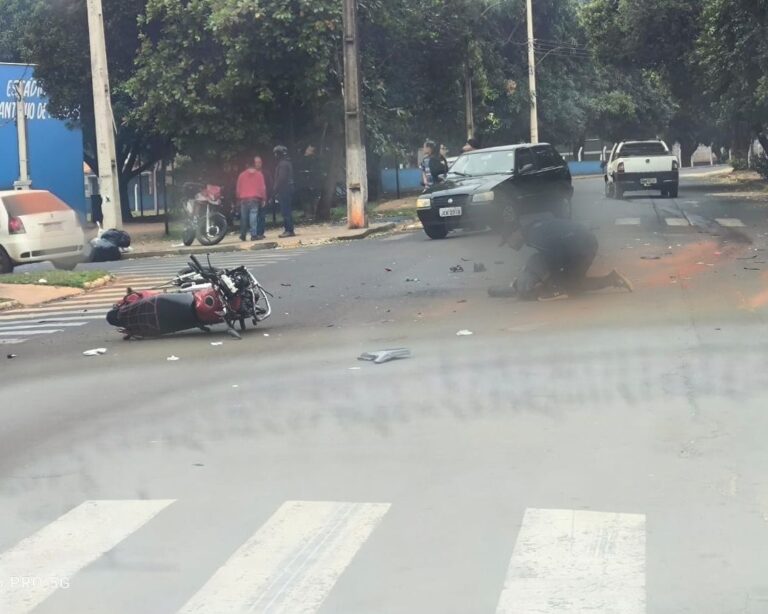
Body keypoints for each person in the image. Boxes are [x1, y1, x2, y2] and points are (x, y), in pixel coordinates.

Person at [488, 212, 633, 300]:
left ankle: (559, 289)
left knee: (569, 285)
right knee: (574, 284)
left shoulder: (534, 235)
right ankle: (612, 279)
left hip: (581, 245)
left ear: (516, 233)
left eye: (508, 241)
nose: (509, 245)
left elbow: (555, 253)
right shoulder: (534, 230)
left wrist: (554, 280)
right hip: (584, 242)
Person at [236, 156, 268, 241]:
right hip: (255, 199)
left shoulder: (242, 175)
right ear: (254, 165)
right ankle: (254, 234)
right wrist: (264, 198)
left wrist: (238, 197)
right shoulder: (259, 175)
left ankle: (243, 234)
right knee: (253, 216)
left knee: (244, 217)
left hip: (244, 198)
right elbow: (262, 188)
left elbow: (238, 188)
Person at [273, 145, 296, 238]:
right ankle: (289, 229)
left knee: (285, 210)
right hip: (288, 188)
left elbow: (281, 178)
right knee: (287, 210)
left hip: (284, 189)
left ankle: (288, 230)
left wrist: (275, 189)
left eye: (275, 153)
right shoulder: (287, 163)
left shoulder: (282, 164)